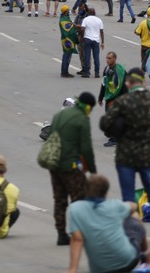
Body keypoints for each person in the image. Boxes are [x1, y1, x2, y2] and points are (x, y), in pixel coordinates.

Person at [99, 69, 150, 205]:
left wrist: (119, 126)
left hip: (126, 156)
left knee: (128, 199)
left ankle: (131, 223)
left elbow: (104, 124)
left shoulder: (122, 101)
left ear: (128, 83)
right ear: (143, 81)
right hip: (147, 156)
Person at [66, 174, 146, 273]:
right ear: (106, 191)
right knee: (134, 216)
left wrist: (72, 269)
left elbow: (77, 239)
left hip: (100, 269)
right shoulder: (116, 205)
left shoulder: (75, 209)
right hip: (127, 261)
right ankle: (145, 254)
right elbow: (133, 206)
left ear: (85, 189)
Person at [47, 92, 97, 246]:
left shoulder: (59, 115)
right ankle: (78, 231)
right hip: (70, 166)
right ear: (87, 106)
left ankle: (61, 234)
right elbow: (86, 148)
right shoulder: (82, 120)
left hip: (54, 164)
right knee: (80, 198)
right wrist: (93, 171)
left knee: (59, 200)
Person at [77, 7, 105, 78]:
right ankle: (97, 73)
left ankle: (86, 72)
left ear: (88, 13)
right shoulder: (99, 20)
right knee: (96, 57)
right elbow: (101, 32)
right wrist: (102, 42)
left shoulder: (86, 19)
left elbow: (82, 29)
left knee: (87, 56)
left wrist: (82, 37)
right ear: (95, 13)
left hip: (87, 39)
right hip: (96, 40)